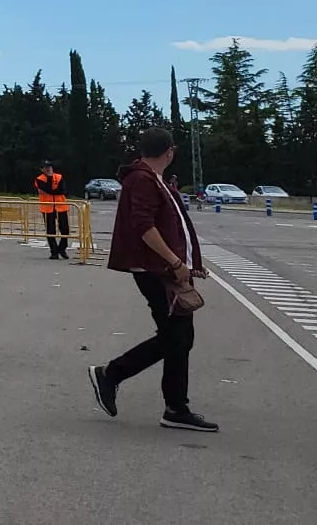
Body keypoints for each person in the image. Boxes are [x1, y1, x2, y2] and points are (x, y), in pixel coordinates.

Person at [88, 128, 217, 433]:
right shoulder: (142, 180)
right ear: (169, 152)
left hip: (164, 269)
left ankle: (174, 406)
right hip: (155, 270)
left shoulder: (153, 179)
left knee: (179, 337)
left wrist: (187, 264)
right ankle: (113, 375)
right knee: (176, 337)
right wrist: (174, 261)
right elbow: (144, 227)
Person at [35, 160, 71, 260]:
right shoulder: (39, 179)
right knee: (50, 230)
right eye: (46, 167)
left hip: (61, 206)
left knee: (65, 229)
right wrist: (50, 181)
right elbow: (48, 189)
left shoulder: (59, 177)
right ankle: (54, 252)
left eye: (50, 166)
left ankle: (62, 248)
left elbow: (63, 190)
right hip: (47, 208)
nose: (48, 168)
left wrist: (51, 191)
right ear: (42, 169)